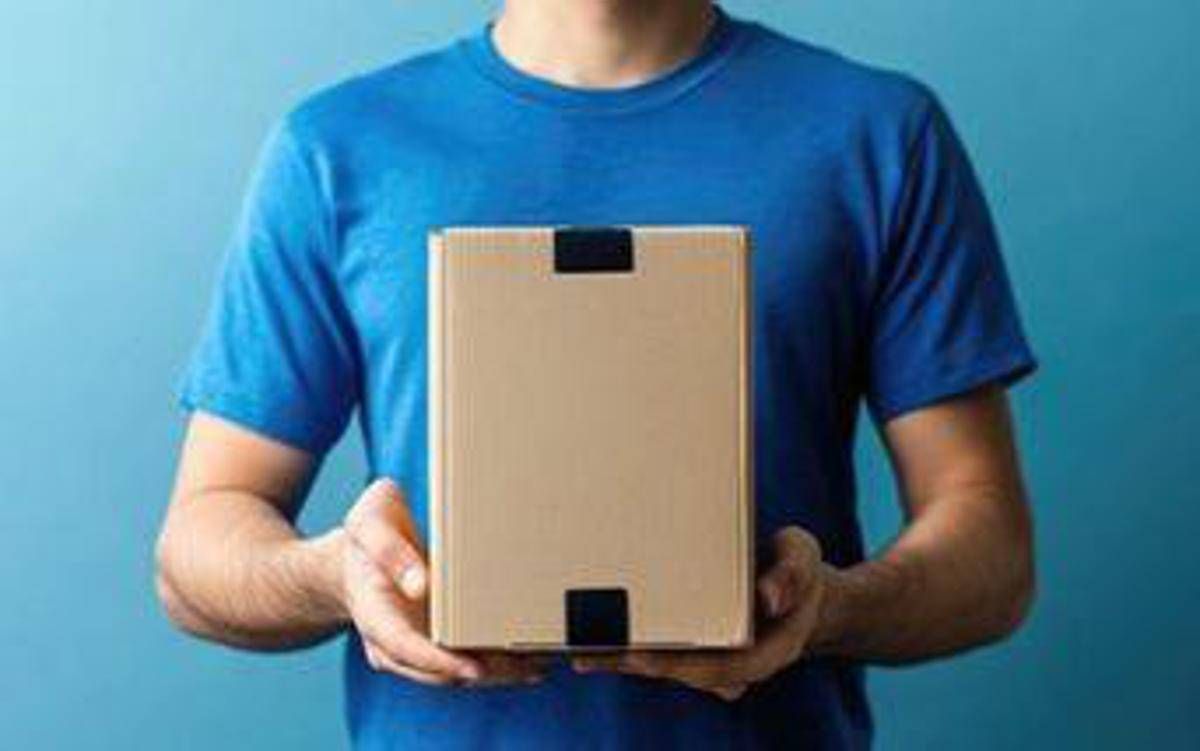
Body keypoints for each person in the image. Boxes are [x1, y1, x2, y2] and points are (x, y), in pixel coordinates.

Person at [155, 1, 1038, 748]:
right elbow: (197, 546)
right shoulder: (337, 147)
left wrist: (829, 609)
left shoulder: (878, 134)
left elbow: (990, 549)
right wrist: (338, 575)